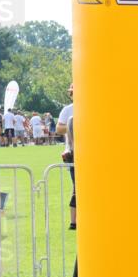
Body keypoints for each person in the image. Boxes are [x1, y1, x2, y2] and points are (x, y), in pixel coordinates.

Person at [56, 83, 76, 230]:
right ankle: (73, 221)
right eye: (72, 92)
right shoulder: (67, 110)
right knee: (77, 187)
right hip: (73, 152)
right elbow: (58, 128)